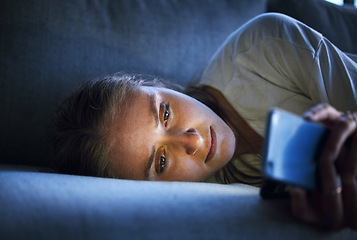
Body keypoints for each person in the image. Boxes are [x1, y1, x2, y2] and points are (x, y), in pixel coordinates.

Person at [53, 13, 357, 230]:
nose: (193, 141)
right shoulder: (212, 201)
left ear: (165, 87)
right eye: (160, 163)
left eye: (166, 113)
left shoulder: (263, 47)